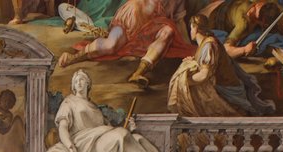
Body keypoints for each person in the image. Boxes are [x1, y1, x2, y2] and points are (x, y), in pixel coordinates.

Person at [42, 70, 169, 152]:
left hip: (98, 140)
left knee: (137, 138)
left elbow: (107, 131)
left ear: (88, 84)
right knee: (121, 134)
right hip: (83, 144)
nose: (79, 83)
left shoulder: (94, 107)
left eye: (82, 80)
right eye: (76, 81)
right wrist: (70, 146)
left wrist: (129, 128)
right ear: (73, 86)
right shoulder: (69, 102)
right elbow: (63, 127)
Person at [57, 0, 192, 87]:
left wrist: (186, 47)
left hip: (154, 27)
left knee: (168, 31)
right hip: (131, 16)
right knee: (111, 45)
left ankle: (138, 73)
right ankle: (73, 57)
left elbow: (178, 21)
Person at [168, 15, 274, 117]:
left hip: (226, 89)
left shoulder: (209, 45)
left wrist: (184, 82)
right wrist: (193, 61)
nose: (190, 31)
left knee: (189, 89)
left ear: (195, 29)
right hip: (221, 85)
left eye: (191, 28)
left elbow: (204, 75)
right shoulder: (206, 42)